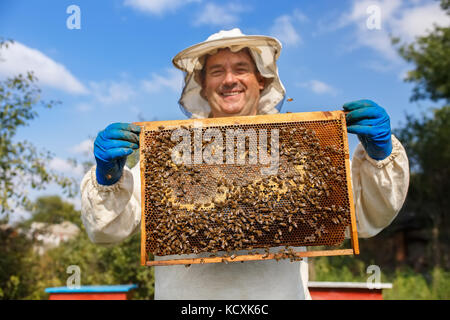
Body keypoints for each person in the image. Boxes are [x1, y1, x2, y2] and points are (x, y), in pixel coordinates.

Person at [81, 29, 409, 299]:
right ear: (202, 84)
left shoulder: (299, 149)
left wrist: (379, 159)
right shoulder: (173, 152)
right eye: (216, 71)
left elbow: (365, 218)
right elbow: (106, 231)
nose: (229, 80)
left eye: (240, 68)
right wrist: (109, 179)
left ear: (261, 80)